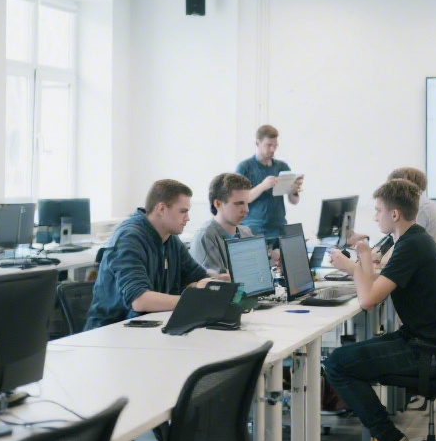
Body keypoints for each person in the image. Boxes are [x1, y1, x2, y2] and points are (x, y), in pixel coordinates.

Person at [322, 178, 436, 441]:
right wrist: (364, 255)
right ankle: (386, 434)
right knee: (346, 357)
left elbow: (369, 299)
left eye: (378, 210)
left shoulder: (411, 246)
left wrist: (351, 267)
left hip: (429, 353)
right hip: (427, 342)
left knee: (337, 364)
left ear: (394, 214)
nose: (374, 216)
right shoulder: (414, 239)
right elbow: (374, 284)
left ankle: (387, 436)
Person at [86, 179, 225, 330]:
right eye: (183, 211)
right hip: (112, 334)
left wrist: (216, 280)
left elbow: (197, 276)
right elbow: (139, 300)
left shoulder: (170, 238)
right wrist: (193, 301)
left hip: (149, 327)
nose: (188, 218)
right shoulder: (129, 238)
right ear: (161, 209)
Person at [388, 166, 436, 276]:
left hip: (432, 275)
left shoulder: (420, 209)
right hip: (434, 269)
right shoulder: (425, 205)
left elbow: (404, 245)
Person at [237, 124, 303, 236]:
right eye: (269, 145)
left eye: (275, 146)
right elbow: (240, 199)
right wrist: (263, 186)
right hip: (253, 227)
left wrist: (294, 190)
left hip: (279, 226)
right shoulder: (245, 167)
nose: (272, 149)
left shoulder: (282, 167)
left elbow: (294, 201)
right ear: (257, 143)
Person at [189, 172, 254, 274]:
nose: (246, 210)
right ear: (218, 204)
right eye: (238, 204)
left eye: (247, 203)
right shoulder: (205, 237)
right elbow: (217, 285)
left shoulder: (246, 232)